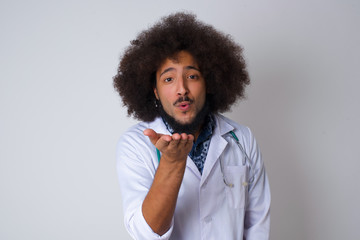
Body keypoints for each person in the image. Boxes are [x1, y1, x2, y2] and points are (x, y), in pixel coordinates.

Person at [113, 12, 270, 240]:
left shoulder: (242, 138)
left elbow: (257, 225)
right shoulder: (135, 144)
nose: (182, 89)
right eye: (169, 79)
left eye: (192, 76)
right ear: (155, 92)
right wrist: (172, 162)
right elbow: (147, 232)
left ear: (210, 82)